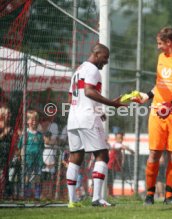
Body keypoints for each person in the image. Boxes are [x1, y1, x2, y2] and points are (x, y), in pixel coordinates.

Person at [132, 26, 172, 205]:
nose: (158, 47)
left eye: (160, 43)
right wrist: (146, 96)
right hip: (157, 112)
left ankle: (169, 196)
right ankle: (149, 195)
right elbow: (159, 85)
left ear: (169, 42)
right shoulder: (161, 58)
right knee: (154, 153)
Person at [66, 43, 124, 208]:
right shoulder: (92, 69)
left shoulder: (78, 70)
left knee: (76, 157)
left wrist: (98, 110)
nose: (106, 62)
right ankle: (97, 199)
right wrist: (111, 104)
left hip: (73, 118)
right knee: (102, 155)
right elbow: (89, 92)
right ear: (97, 54)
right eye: (105, 58)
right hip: (87, 119)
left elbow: (71, 99)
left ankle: (72, 201)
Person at [18, 110, 44, 200]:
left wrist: (41, 160)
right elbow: (20, 147)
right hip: (27, 160)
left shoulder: (40, 135)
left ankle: (37, 196)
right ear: (27, 121)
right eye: (32, 120)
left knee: (37, 178)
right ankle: (26, 195)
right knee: (27, 178)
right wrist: (22, 158)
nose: (34, 122)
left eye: (36, 120)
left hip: (37, 161)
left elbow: (42, 148)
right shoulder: (25, 134)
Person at [107, 132, 134, 196]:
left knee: (111, 181)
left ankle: (110, 194)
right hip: (110, 166)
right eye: (119, 138)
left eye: (122, 138)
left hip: (114, 167)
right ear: (115, 139)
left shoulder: (120, 147)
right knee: (109, 181)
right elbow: (123, 147)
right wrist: (131, 151)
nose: (121, 140)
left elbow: (122, 157)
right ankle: (110, 194)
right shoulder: (116, 145)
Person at [0, 105, 13, 198]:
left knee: (6, 174)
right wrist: (4, 133)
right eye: (8, 114)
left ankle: (6, 193)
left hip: (7, 153)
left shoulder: (10, 127)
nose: (10, 115)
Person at [41, 131, 57, 200]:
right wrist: (45, 164)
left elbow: (55, 157)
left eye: (49, 137)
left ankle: (49, 195)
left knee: (51, 182)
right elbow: (40, 157)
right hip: (44, 168)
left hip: (52, 168)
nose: (48, 138)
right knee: (44, 182)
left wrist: (53, 164)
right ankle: (43, 195)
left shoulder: (53, 147)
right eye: (47, 137)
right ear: (44, 137)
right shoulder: (42, 146)